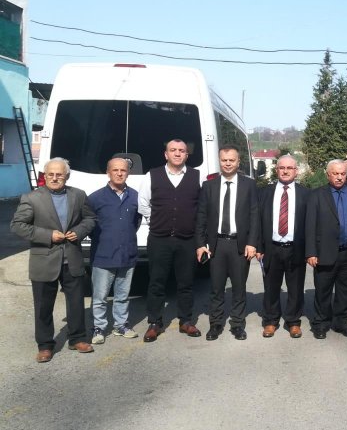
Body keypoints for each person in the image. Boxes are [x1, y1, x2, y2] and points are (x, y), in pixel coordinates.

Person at [11, 158, 96, 362]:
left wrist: (79, 231)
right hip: (44, 260)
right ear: (45, 175)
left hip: (72, 259)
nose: (55, 178)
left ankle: (77, 339)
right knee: (43, 306)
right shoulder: (32, 198)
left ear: (67, 176)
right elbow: (18, 225)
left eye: (59, 174)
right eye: (51, 174)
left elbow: (90, 219)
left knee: (76, 303)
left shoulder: (78, 195)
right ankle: (45, 345)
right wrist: (48, 235)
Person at [138, 139, 202, 342]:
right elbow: (143, 203)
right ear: (166, 154)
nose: (177, 153)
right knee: (157, 282)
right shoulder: (152, 175)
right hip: (159, 239)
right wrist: (157, 220)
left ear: (186, 155)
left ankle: (186, 321)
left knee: (186, 282)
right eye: (173, 150)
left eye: (181, 150)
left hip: (187, 239)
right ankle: (154, 323)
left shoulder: (196, 176)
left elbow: (201, 207)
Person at [196, 146, 260, 341]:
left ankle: (237, 325)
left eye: (232, 160)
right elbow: (201, 216)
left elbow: (255, 215)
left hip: (239, 245)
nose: (228, 163)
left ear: (238, 162)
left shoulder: (249, 185)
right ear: (219, 161)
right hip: (216, 245)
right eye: (224, 160)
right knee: (216, 288)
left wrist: (252, 243)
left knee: (239, 288)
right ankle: (215, 324)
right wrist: (200, 243)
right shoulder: (209, 186)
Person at [305, 160, 347, 339]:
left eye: (343, 174)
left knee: (345, 291)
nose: (339, 177)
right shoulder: (316, 195)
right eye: (335, 173)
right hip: (324, 251)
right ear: (328, 175)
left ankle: (341, 322)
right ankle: (321, 323)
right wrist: (311, 252)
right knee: (323, 290)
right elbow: (310, 225)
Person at [87, 157, 141, 344]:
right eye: (115, 170)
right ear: (108, 173)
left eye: (123, 170)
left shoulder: (135, 196)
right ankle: (99, 327)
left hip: (127, 254)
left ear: (128, 173)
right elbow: (89, 224)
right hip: (103, 254)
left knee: (123, 295)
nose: (119, 173)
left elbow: (136, 222)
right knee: (100, 296)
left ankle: (121, 325)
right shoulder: (95, 198)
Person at [257, 155, 309, 339]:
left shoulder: (306, 194)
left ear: (296, 171)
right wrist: (259, 247)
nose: (285, 171)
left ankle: (293, 322)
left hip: (296, 248)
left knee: (295, 288)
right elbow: (257, 221)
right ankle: (270, 321)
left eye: (289, 168)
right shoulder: (264, 193)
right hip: (271, 247)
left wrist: (310, 250)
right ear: (276, 170)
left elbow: (311, 224)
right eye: (282, 168)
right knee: (271, 287)